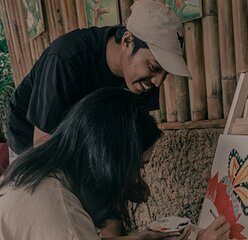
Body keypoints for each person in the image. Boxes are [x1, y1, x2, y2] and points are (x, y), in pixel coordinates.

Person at [0, 88, 230, 240]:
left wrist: (140, 238)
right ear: (110, 160)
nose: (139, 181)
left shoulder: (42, 173)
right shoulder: (57, 209)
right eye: (138, 167)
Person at [6, 0, 191, 162]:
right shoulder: (66, 59)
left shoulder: (143, 79)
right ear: (127, 41)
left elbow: (132, 137)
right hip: (30, 138)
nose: (158, 82)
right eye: (154, 67)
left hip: (79, 137)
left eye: (165, 74)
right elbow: (42, 146)